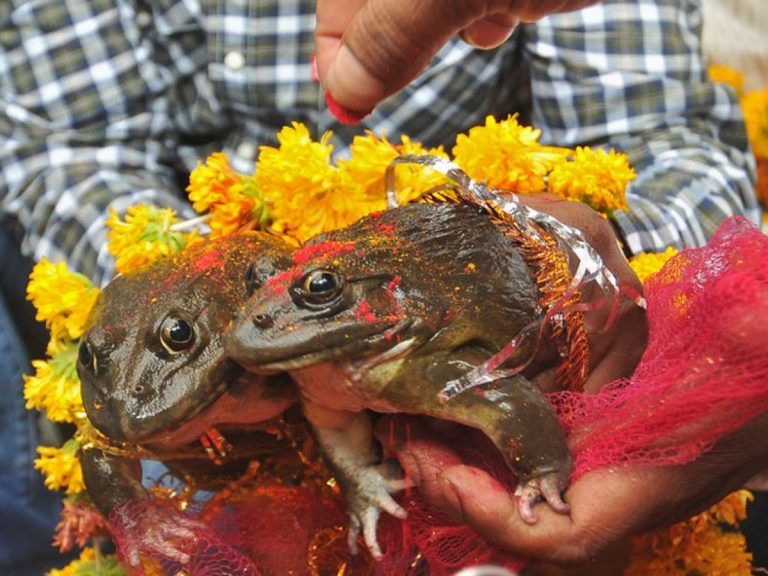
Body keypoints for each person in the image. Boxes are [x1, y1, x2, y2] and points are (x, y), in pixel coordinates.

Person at [0, 0, 762, 572]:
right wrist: (189, 295)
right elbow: (72, 147)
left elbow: (662, 138)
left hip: (473, 254)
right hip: (197, 266)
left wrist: (565, 268)